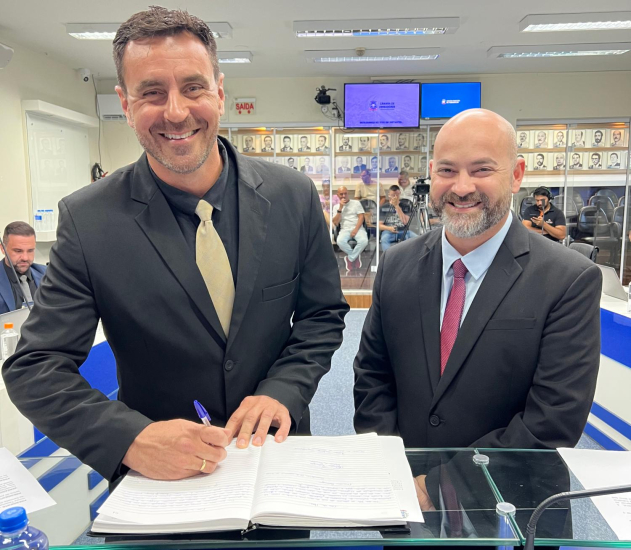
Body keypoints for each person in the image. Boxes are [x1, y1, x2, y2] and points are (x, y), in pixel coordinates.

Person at [2, 7, 348, 484]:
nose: (176, 111)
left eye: (193, 87)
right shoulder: (89, 220)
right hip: (159, 482)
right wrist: (131, 439)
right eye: (151, 92)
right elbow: (35, 367)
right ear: (125, 104)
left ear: (219, 92)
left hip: (274, 457)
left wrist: (284, 389)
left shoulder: (293, 196)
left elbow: (322, 315)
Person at [354, 109, 601, 509]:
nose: (462, 187)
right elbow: (372, 375)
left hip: (510, 507)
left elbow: (553, 418)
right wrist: (391, 468)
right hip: (404, 498)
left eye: (482, 169)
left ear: (516, 175)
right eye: (447, 170)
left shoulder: (569, 279)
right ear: (432, 174)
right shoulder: (397, 265)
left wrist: (439, 488)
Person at [0, 222, 46, 314]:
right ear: (3, 249)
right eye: (18, 251)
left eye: (30, 251)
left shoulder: (47, 274)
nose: (25, 258)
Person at [332, 187, 368, 272]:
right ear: (338, 195)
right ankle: (354, 256)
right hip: (344, 229)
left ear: (348, 193)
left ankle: (350, 258)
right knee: (340, 241)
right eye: (341, 194)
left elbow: (361, 217)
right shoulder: (336, 207)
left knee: (364, 241)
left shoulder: (356, 203)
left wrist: (355, 230)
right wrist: (340, 208)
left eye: (345, 193)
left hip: (358, 228)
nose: (344, 196)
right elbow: (336, 222)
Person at [379, 185, 418, 251]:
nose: (395, 197)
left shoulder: (405, 205)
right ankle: (388, 256)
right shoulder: (384, 207)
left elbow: (406, 222)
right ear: (389, 195)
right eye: (393, 195)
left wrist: (397, 206)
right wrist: (389, 228)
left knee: (417, 239)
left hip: (404, 230)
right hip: (388, 231)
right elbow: (379, 225)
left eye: (397, 195)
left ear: (399, 194)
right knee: (384, 239)